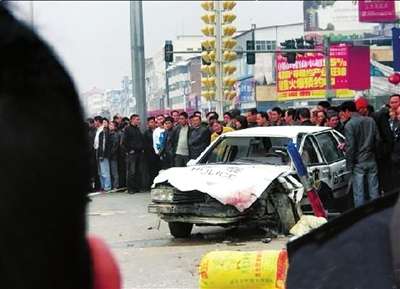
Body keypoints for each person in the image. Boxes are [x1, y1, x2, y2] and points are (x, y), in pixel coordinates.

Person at [339, 101, 380, 207]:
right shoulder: (370, 120)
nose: (343, 115)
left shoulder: (350, 125)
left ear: (347, 111)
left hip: (358, 162)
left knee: (359, 193)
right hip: (371, 159)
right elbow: (378, 140)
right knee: (374, 191)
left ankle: (361, 218)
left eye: (343, 113)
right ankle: (377, 212)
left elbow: (351, 147)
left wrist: (349, 164)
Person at [372, 94, 400, 193]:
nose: (394, 105)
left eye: (396, 102)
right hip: (390, 156)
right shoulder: (385, 117)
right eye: (392, 102)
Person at [122, 114, 146, 194]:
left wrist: (142, 148)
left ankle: (136, 187)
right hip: (132, 153)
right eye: (137, 119)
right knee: (131, 171)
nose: (139, 121)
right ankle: (130, 188)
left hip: (139, 153)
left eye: (139, 119)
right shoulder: (127, 129)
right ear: (132, 120)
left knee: (138, 171)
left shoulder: (138, 129)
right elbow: (124, 142)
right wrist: (129, 150)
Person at [94, 117, 112, 191]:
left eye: (95, 121)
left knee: (105, 171)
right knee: (100, 172)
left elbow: (104, 144)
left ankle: (107, 187)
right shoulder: (98, 130)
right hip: (98, 152)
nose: (94, 123)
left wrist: (102, 154)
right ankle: (102, 186)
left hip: (102, 154)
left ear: (98, 121)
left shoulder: (103, 130)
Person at [143, 117, 158, 187]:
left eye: (153, 122)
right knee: (151, 170)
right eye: (150, 122)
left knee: (158, 169)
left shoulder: (159, 131)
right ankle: (152, 184)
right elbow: (145, 144)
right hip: (150, 154)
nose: (152, 123)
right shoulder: (146, 133)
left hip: (158, 153)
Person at [109, 121, 120, 190]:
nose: (110, 126)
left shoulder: (116, 135)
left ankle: (116, 185)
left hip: (114, 156)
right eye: (110, 125)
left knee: (114, 171)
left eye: (112, 125)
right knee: (111, 171)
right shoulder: (108, 134)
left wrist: (110, 153)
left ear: (115, 127)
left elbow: (115, 146)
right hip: (110, 155)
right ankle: (113, 185)